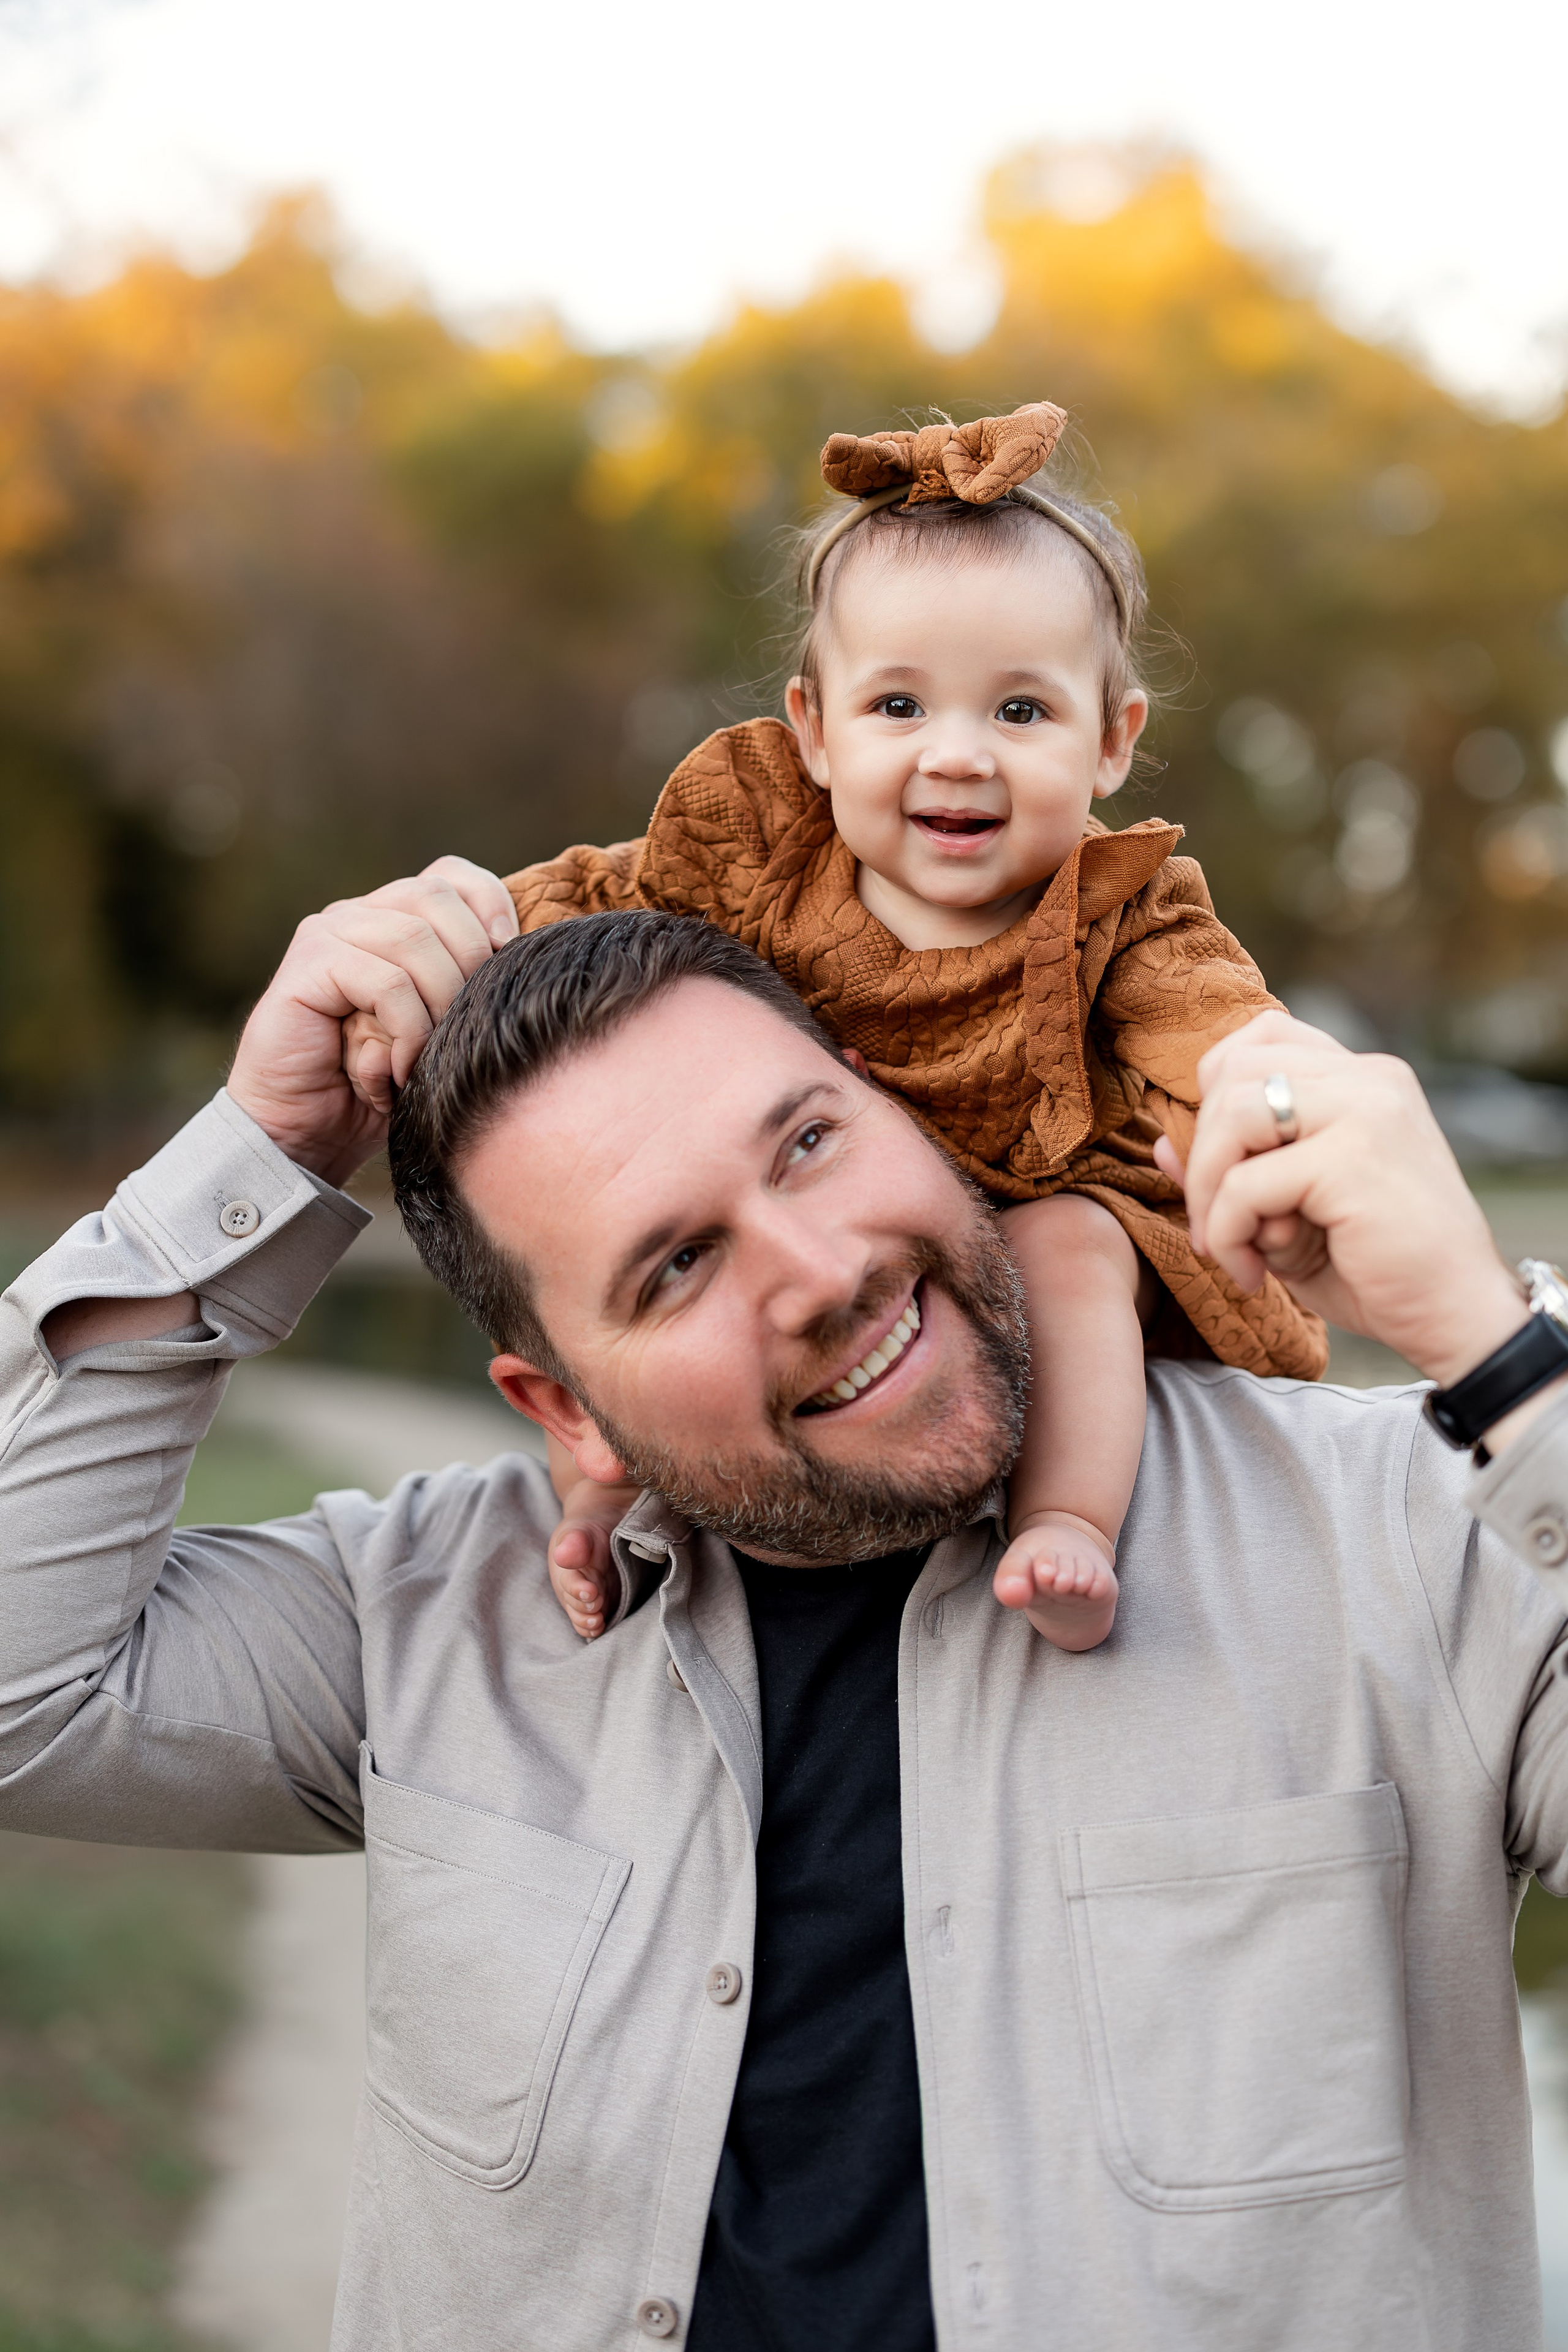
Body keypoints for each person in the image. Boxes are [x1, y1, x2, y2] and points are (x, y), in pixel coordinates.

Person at [6, 869, 1568, 2351]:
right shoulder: (420, 1622)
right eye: (677, 1265)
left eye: (809, 1142)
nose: (818, 1271)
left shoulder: (1406, 1544)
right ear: (565, 1411)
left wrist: (1492, 1353)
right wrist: (253, 1154)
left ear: (888, 1090)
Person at [344, 402, 1325, 1655]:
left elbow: (1220, 1029)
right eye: (899, 709)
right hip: (814, 1209)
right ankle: (597, 1509)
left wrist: (1277, 1099)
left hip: (1021, 1209)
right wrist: (439, 937)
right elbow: (577, 904)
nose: (956, 757)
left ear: (1112, 741)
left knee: (1077, 1247)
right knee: (641, 1306)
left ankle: (1066, 1520)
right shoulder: (756, 847)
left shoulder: (1117, 911)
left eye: (1019, 714)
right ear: (813, 729)